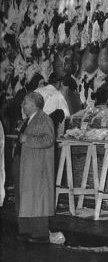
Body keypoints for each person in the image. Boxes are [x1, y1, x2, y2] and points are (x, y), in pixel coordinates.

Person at [15, 92, 55, 243]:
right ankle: (26, 229)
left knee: (38, 198)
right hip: (25, 163)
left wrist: (27, 139)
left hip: (36, 166)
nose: (23, 105)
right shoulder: (29, 120)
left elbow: (49, 139)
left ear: (34, 104)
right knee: (24, 197)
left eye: (25, 102)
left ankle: (40, 233)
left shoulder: (44, 119)